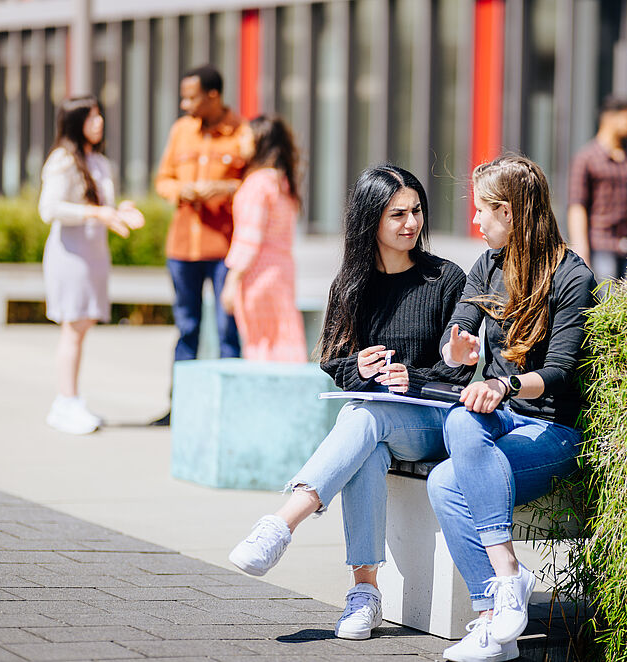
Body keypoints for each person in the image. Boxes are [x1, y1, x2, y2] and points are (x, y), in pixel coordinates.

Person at [227, 165, 473, 640]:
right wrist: (357, 368)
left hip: (432, 423)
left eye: (416, 210)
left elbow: (458, 368)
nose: (411, 223)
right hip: (376, 426)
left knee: (364, 417)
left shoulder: (446, 279)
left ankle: (282, 524)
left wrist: (414, 377)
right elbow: (332, 358)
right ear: (371, 220)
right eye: (396, 213)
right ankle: (365, 593)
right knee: (367, 440)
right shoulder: (352, 283)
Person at [428, 155, 597, 662]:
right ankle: (505, 589)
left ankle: (495, 611)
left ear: (507, 212)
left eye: (481, 210)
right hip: (505, 419)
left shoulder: (572, 276)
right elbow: (456, 330)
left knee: (444, 482)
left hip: (554, 430)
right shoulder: (488, 265)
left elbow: (562, 370)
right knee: (461, 419)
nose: (475, 222)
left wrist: (503, 385)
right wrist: (454, 350)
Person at [38, 95, 145, 435]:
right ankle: (65, 401)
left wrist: (119, 210)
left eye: (99, 116)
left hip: (94, 256)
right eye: (91, 117)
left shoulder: (98, 161)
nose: (99, 123)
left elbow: (104, 205)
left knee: (81, 329)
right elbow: (49, 209)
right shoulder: (63, 160)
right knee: (72, 328)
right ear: (75, 122)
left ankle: (71, 400)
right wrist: (96, 212)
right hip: (70, 256)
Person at [154, 64, 245, 424]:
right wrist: (182, 191)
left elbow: (256, 184)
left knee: (227, 329)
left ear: (213, 96)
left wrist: (223, 189)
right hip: (182, 249)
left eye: (190, 96)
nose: (184, 103)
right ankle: (181, 409)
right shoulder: (181, 131)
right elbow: (163, 180)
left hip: (224, 250)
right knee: (186, 327)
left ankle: (229, 412)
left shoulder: (242, 134)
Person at [218, 115, 307, 362]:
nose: (240, 142)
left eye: (246, 136)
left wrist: (232, 280)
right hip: (281, 271)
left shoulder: (257, 184)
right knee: (285, 338)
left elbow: (249, 238)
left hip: (257, 274)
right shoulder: (283, 182)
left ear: (260, 141)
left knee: (261, 342)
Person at [567, 95, 627, 283]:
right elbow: (577, 206)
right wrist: (581, 250)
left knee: (626, 303)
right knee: (606, 300)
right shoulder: (586, 158)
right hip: (600, 244)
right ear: (610, 119)